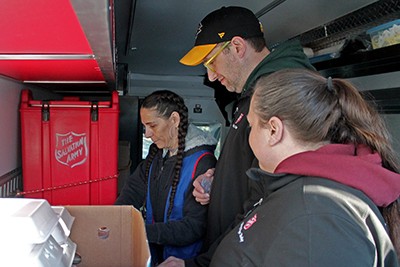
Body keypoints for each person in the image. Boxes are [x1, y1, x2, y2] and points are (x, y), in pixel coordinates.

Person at [161, 6, 315, 266]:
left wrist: (199, 264)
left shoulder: (280, 96)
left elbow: (264, 202)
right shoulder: (250, 97)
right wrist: (219, 179)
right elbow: (250, 169)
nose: (210, 75)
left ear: (237, 46)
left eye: (211, 61)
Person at [210, 68, 400, 266]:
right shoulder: (302, 191)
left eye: (251, 126)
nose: (249, 136)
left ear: (274, 130)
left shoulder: (318, 217)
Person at [115, 90, 217, 266]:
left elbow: (194, 226)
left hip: (183, 260)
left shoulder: (203, 162)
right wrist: (116, 218)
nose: (147, 134)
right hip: (154, 255)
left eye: (152, 126)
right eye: (144, 126)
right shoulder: (156, 155)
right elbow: (133, 189)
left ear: (175, 120)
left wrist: (142, 232)